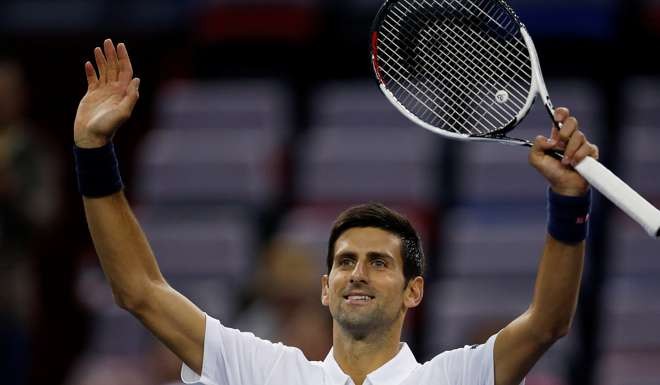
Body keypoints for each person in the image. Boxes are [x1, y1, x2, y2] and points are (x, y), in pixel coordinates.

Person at [72, 39, 598, 385]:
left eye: (379, 261)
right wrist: (94, 155)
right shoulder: (264, 371)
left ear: (414, 290)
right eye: (345, 262)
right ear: (325, 288)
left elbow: (548, 324)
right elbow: (139, 291)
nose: (358, 273)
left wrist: (569, 203)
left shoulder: (452, 377)